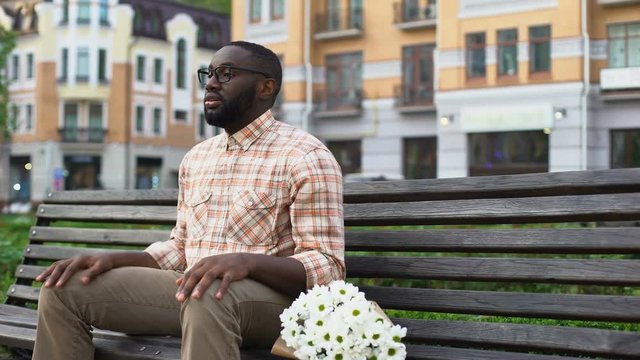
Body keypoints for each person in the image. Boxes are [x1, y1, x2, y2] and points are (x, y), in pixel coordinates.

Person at [32, 41, 345, 360]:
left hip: (277, 308)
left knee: (210, 291)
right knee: (65, 288)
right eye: (208, 74)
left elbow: (327, 266)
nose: (210, 83)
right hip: (197, 293)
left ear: (266, 87)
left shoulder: (305, 156)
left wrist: (244, 262)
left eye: (226, 74)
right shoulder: (198, 158)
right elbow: (181, 248)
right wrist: (116, 259)